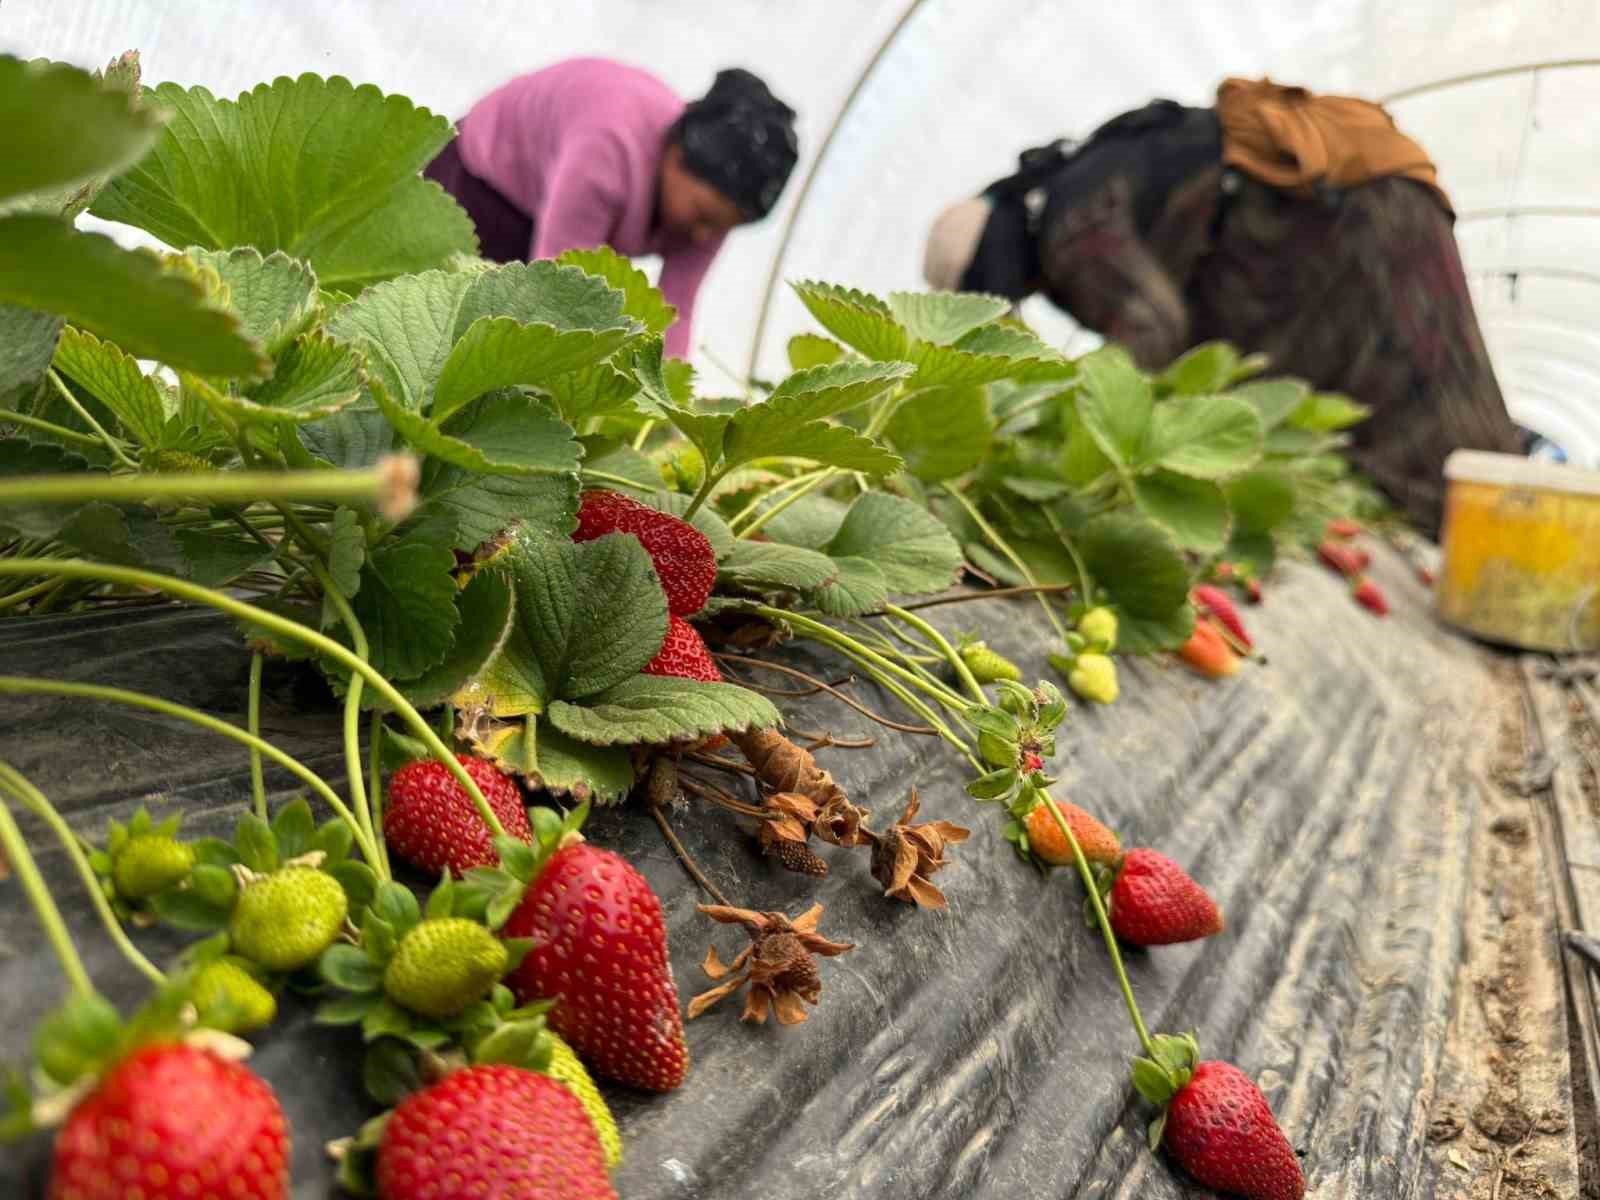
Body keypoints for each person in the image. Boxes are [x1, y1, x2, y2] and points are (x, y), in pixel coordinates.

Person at [923, 79, 1524, 537]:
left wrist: (1082, 440)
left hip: (1358, 220)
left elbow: (1153, 332)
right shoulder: (1074, 187)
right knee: (1381, 396)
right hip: (1350, 210)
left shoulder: (1070, 228)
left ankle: (1505, 541)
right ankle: (1499, 535)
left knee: (1431, 401)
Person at [426, 59, 798, 359]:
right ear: (677, 157)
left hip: (553, 214)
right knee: (447, 333)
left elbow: (675, 310)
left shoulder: (715, 208)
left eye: (723, 227)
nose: (705, 235)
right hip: (481, 185)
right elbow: (555, 284)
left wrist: (665, 410)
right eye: (703, 215)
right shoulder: (608, 151)